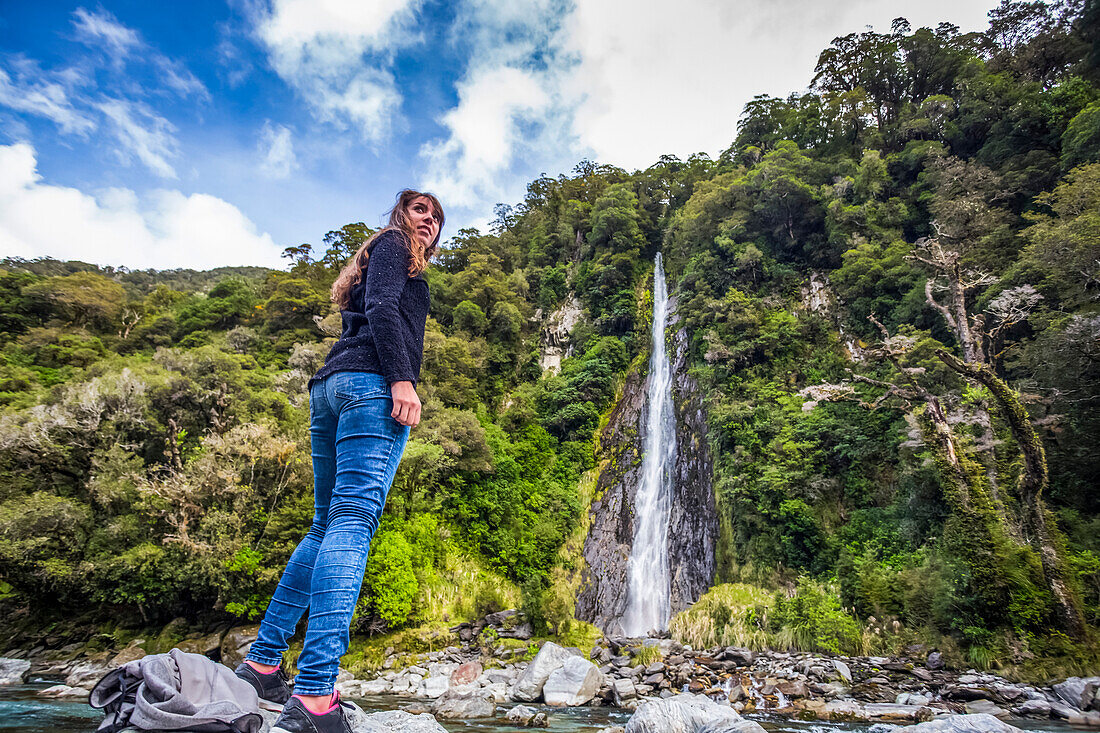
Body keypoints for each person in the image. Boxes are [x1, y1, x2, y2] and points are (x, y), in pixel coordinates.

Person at [233, 190, 444, 733]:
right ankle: (315, 692)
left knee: (325, 524)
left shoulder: (376, 256)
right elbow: (381, 311)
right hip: (372, 387)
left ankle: (261, 664)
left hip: (331, 387)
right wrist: (402, 379)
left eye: (437, 217)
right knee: (352, 523)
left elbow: (368, 307)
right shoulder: (394, 244)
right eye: (421, 210)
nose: (430, 221)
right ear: (400, 215)